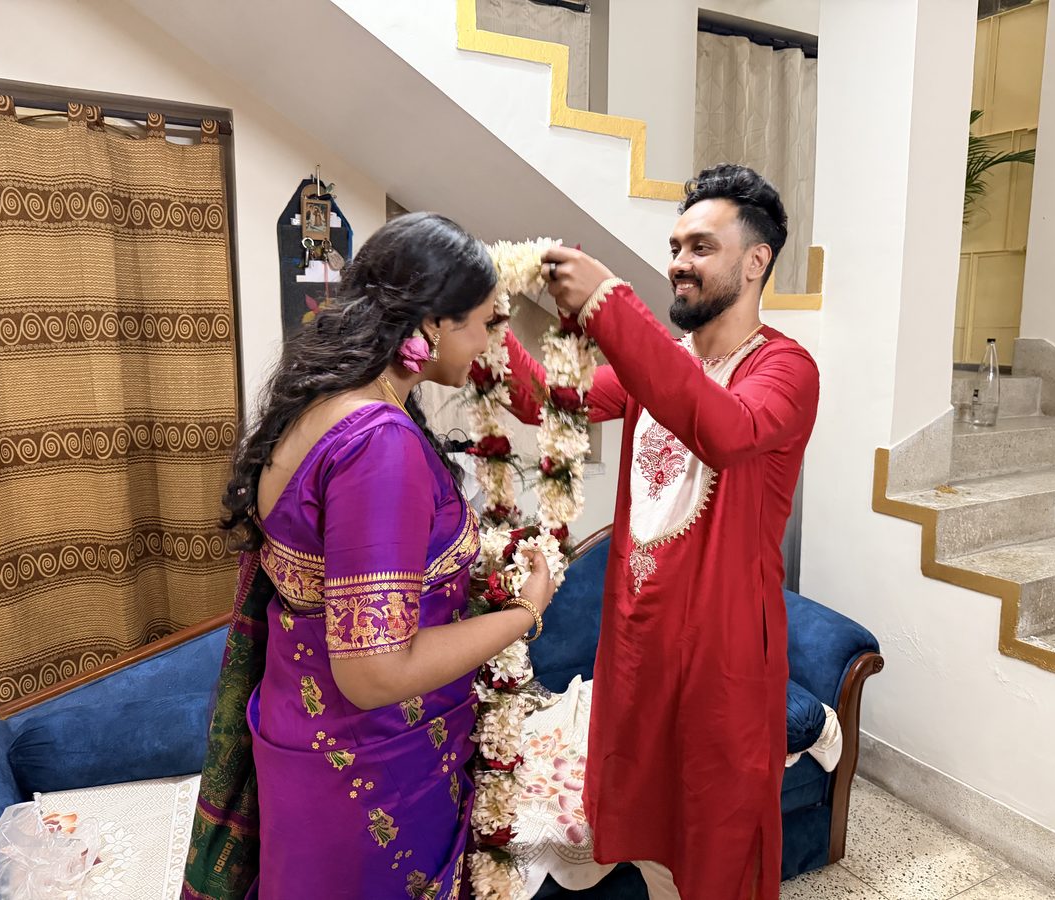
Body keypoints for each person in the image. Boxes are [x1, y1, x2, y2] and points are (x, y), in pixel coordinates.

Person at [182, 212, 555, 900]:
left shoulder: (321, 400)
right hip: (372, 760)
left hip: (310, 732)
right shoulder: (377, 444)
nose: (487, 343)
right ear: (431, 324)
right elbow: (376, 672)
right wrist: (522, 615)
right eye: (481, 322)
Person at [505, 165, 819, 900]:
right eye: (675, 245)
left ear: (755, 261)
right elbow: (543, 400)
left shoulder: (785, 369)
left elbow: (726, 431)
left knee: (717, 842)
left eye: (701, 246)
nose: (678, 261)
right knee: (645, 836)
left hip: (722, 657)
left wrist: (612, 305)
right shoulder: (664, 368)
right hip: (637, 645)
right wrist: (482, 320)